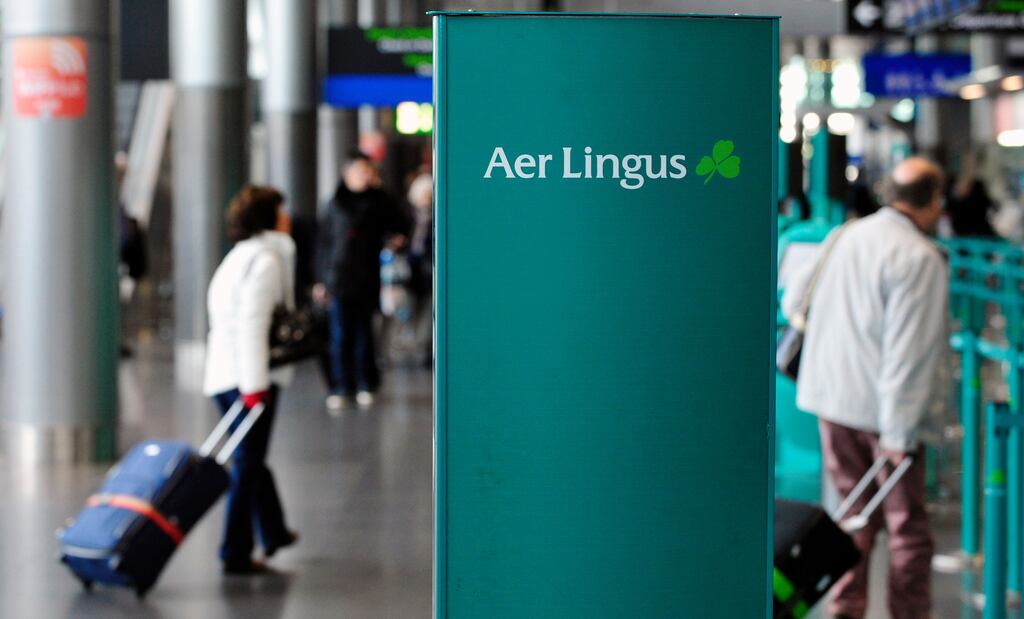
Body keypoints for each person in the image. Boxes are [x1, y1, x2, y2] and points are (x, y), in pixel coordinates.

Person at [782, 158, 948, 619]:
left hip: (831, 401)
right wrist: (899, 434)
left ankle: (845, 609)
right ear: (933, 201)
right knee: (907, 528)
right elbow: (908, 355)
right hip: (883, 414)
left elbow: (794, 299)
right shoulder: (919, 257)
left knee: (852, 517)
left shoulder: (844, 236)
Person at [204, 185, 299, 574]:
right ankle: (234, 551)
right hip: (246, 376)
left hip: (224, 374)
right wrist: (256, 387)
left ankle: (273, 531)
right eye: (280, 210)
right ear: (269, 217)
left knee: (251, 458)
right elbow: (253, 325)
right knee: (247, 464)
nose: (286, 217)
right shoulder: (266, 261)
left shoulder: (238, 256)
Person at [315, 152, 408, 412]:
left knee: (364, 333)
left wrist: (380, 190)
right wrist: (320, 280)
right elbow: (323, 244)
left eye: (367, 171)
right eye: (359, 171)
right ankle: (341, 386)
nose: (363, 176)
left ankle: (366, 382)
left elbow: (400, 225)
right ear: (346, 174)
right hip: (339, 278)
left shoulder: (379, 202)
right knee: (340, 334)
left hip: (367, 277)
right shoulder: (334, 204)